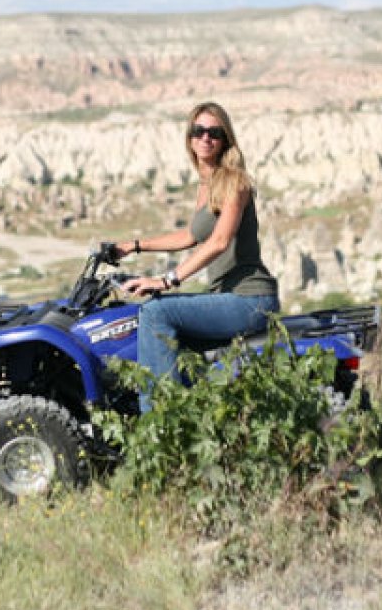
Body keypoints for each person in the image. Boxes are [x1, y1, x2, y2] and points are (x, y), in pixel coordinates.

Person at [115, 102, 279, 410]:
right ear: (189, 138)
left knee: (155, 312)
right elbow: (191, 235)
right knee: (165, 341)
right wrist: (134, 246)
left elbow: (218, 241)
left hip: (250, 299)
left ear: (225, 139)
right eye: (199, 131)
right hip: (226, 296)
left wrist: (166, 280)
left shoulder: (234, 181)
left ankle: (163, 422)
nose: (206, 138)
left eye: (214, 133)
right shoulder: (207, 184)